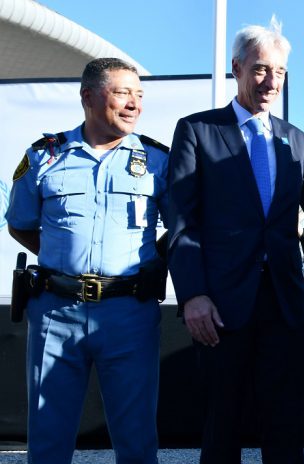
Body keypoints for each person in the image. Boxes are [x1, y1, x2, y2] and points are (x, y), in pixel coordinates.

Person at [167, 18, 304, 464]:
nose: (271, 81)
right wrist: (193, 294)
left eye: (279, 71)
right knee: (222, 427)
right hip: (219, 307)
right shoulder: (197, 131)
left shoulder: (298, 140)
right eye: (259, 69)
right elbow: (181, 219)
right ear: (236, 68)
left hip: (284, 303)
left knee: (286, 426)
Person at [5, 58, 169, 464]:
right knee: (47, 441)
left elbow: (184, 227)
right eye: (122, 93)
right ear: (88, 96)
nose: (134, 104)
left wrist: (149, 261)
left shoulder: (158, 161)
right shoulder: (44, 157)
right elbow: (20, 223)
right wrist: (64, 259)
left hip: (129, 314)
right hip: (56, 312)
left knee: (136, 443)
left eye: (139, 95)